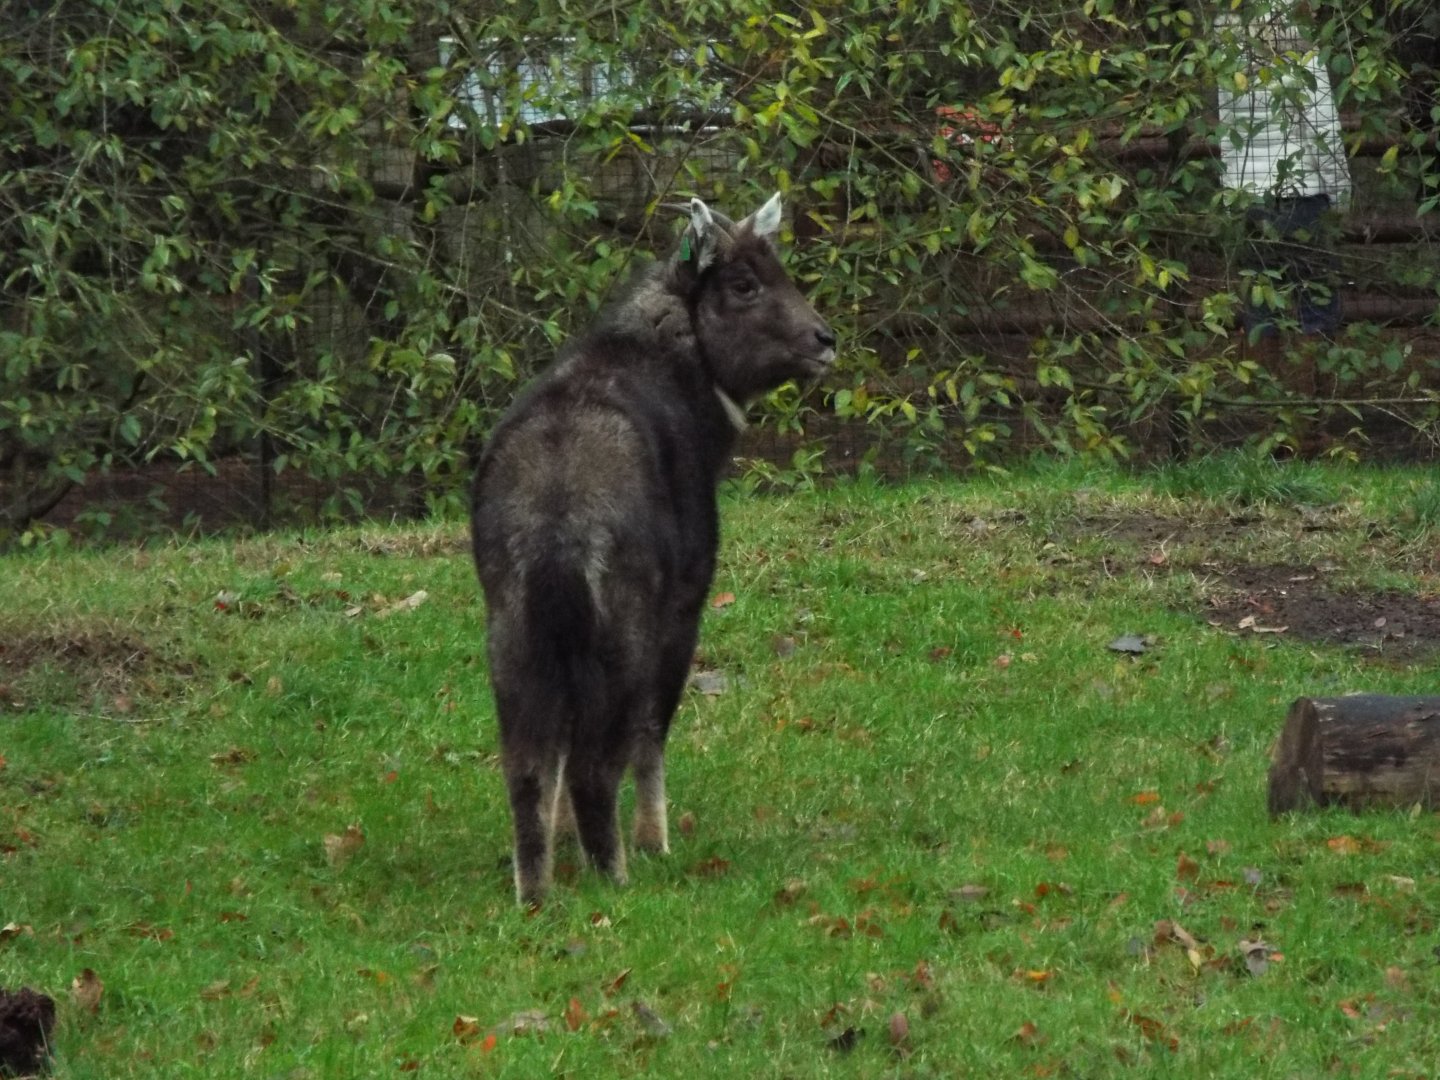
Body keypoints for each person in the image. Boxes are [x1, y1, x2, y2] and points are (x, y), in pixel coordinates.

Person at [1215, 6, 1351, 342]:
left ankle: (1265, 384)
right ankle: (1322, 385)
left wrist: (1232, 191)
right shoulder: (1304, 60)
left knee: (1261, 303)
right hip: (1304, 197)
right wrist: (1341, 195)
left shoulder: (1232, 64)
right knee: (1316, 297)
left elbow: (1228, 134)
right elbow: (1324, 134)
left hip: (1250, 198)